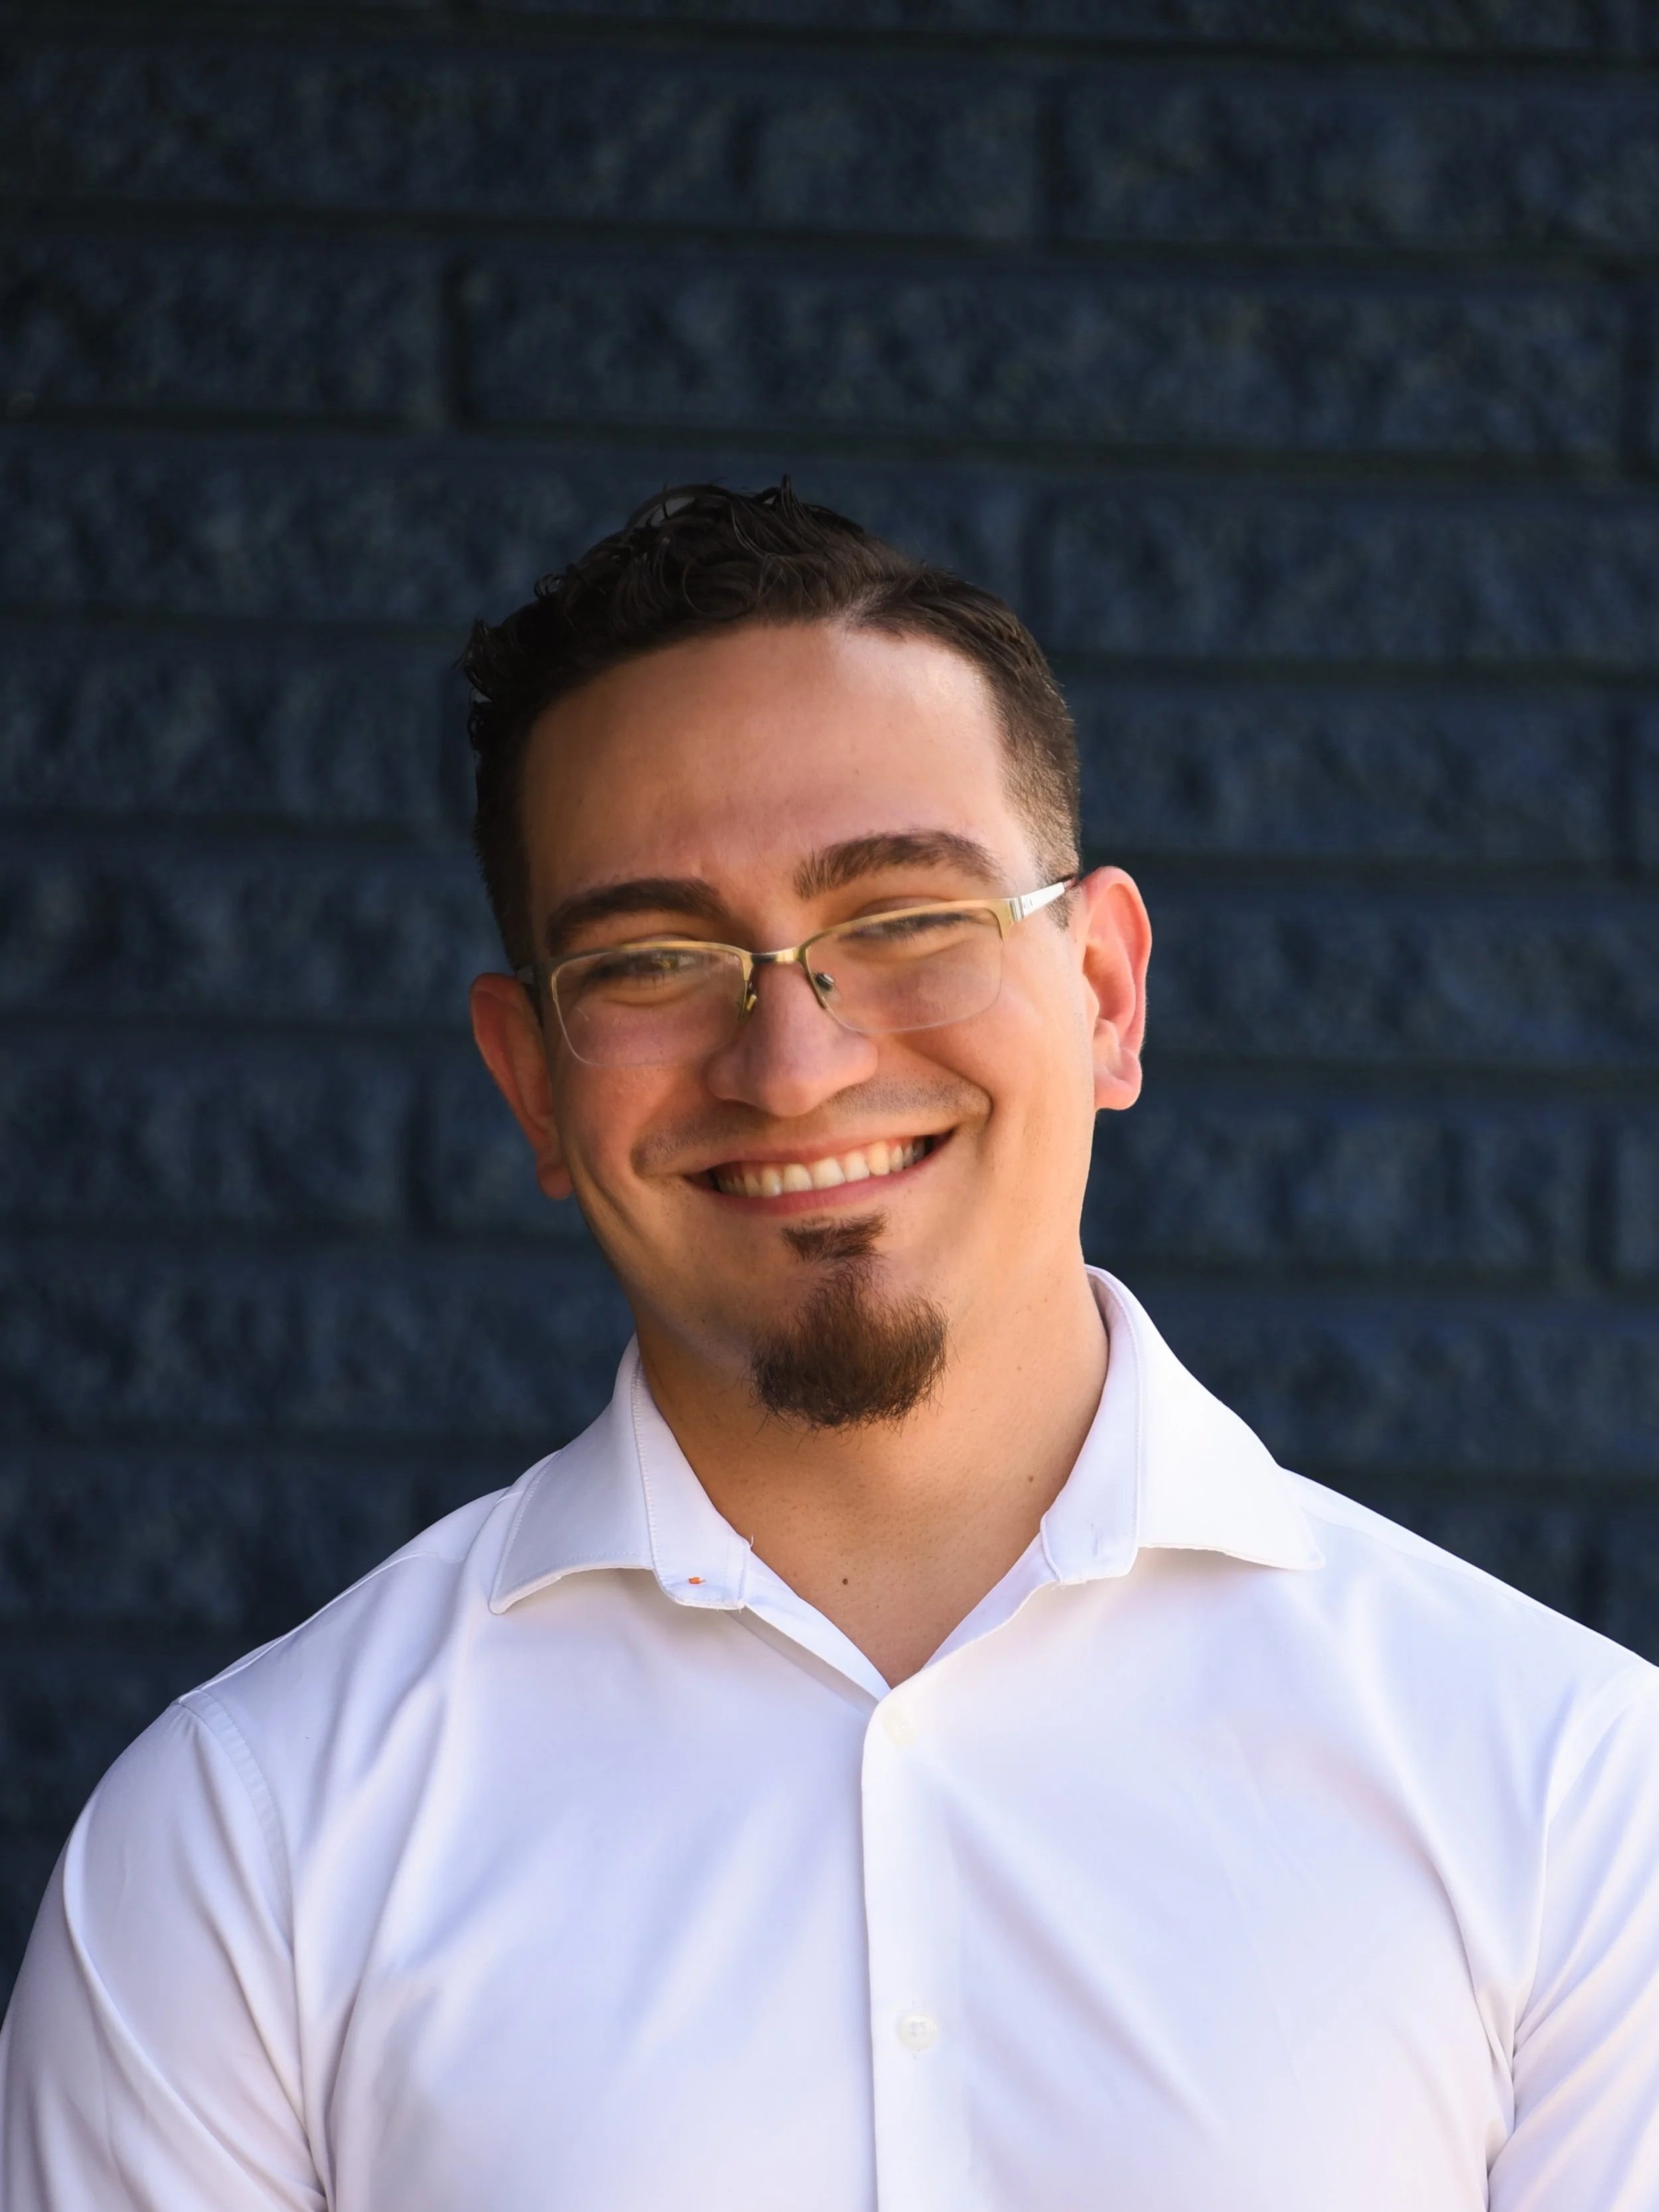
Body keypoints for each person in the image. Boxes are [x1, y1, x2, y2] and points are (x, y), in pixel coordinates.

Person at [3, 483, 1658, 2212]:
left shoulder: (1566, 1797)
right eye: (651, 957)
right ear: (532, 1085)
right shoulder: (236, 1844)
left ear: (1102, 991)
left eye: (903, 919)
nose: (789, 1065)